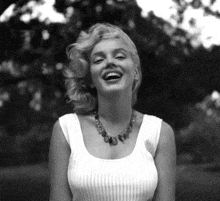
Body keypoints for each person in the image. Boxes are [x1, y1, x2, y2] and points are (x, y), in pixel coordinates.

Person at [49, 23, 176, 201]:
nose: (110, 62)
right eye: (99, 60)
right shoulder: (66, 129)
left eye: (119, 56)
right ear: (90, 79)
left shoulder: (160, 132)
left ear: (136, 72)